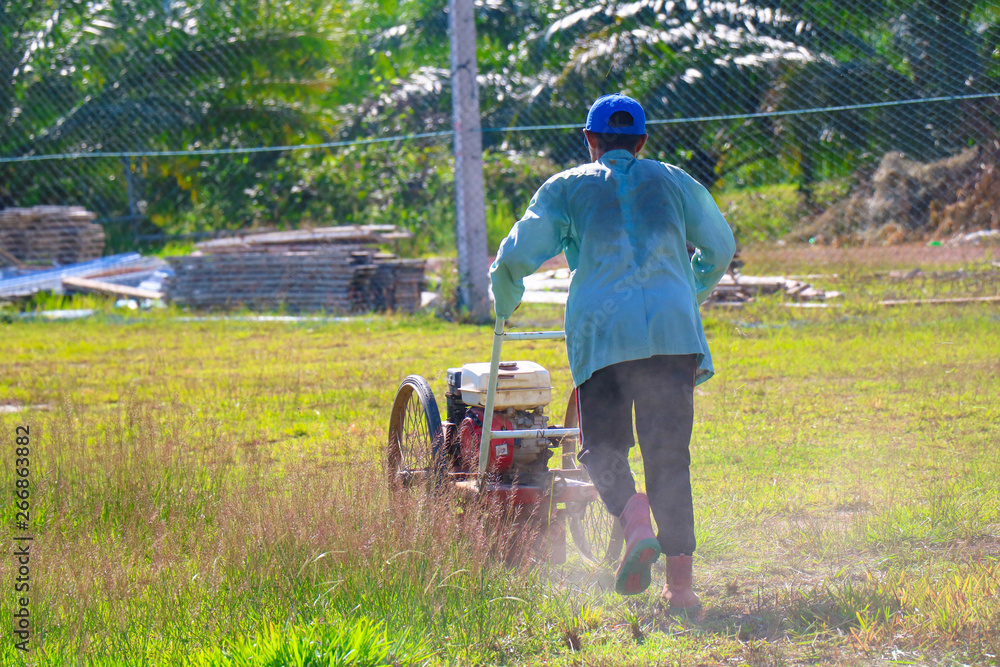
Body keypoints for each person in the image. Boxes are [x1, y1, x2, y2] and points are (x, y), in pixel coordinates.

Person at [489, 93, 735, 605]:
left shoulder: (566, 187)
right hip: (673, 336)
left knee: (602, 449)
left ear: (590, 140)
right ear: (642, 141)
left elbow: (517, 254)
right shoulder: (675, 181)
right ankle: (682, 590)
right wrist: (687, 290)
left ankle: (634, 517)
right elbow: (721, 246)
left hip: (604, 334)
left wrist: (504, 300)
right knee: (669, 456)